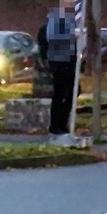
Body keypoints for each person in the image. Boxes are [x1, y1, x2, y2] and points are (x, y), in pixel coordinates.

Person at [37, 8, 77, 145]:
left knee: (67, 93)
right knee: (61, 94)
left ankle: (60, 124)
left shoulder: (62, 30)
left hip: (64, 64)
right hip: (61, 64)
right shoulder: (52, 31)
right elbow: (44, 47)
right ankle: (57, 125)